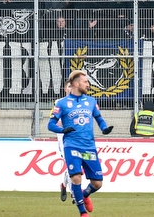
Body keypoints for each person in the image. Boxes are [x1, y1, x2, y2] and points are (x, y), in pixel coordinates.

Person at [48, 70, 113, 217]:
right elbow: (50, 124)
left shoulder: (91, 101)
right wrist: (63, 130)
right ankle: (82, 212)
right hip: (71, 145)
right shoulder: (61, 103)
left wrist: (104, 128)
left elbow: (99, 118)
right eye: (85, 82)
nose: (88, 85)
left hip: (89, 146)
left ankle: (84, 195)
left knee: (97, 183)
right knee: (76, 177)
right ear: (76, 84)